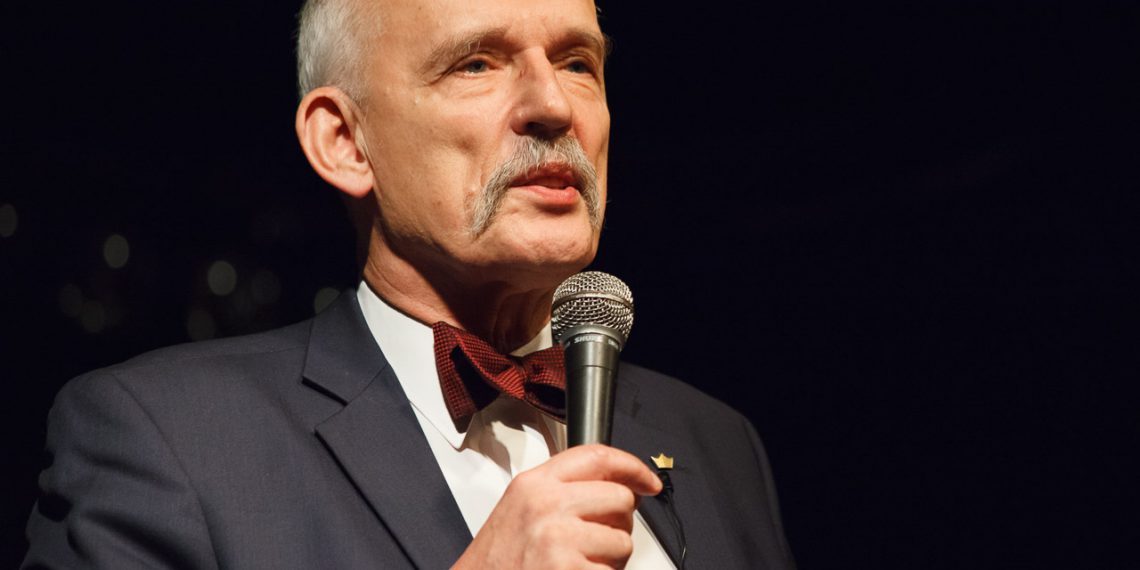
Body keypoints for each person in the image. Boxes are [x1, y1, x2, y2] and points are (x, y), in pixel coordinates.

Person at [23, 0, 796, 568]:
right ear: (344, 141)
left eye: (576, 63)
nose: (553, 106)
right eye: (476, 63)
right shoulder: (169, 439)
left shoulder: (715, 441)